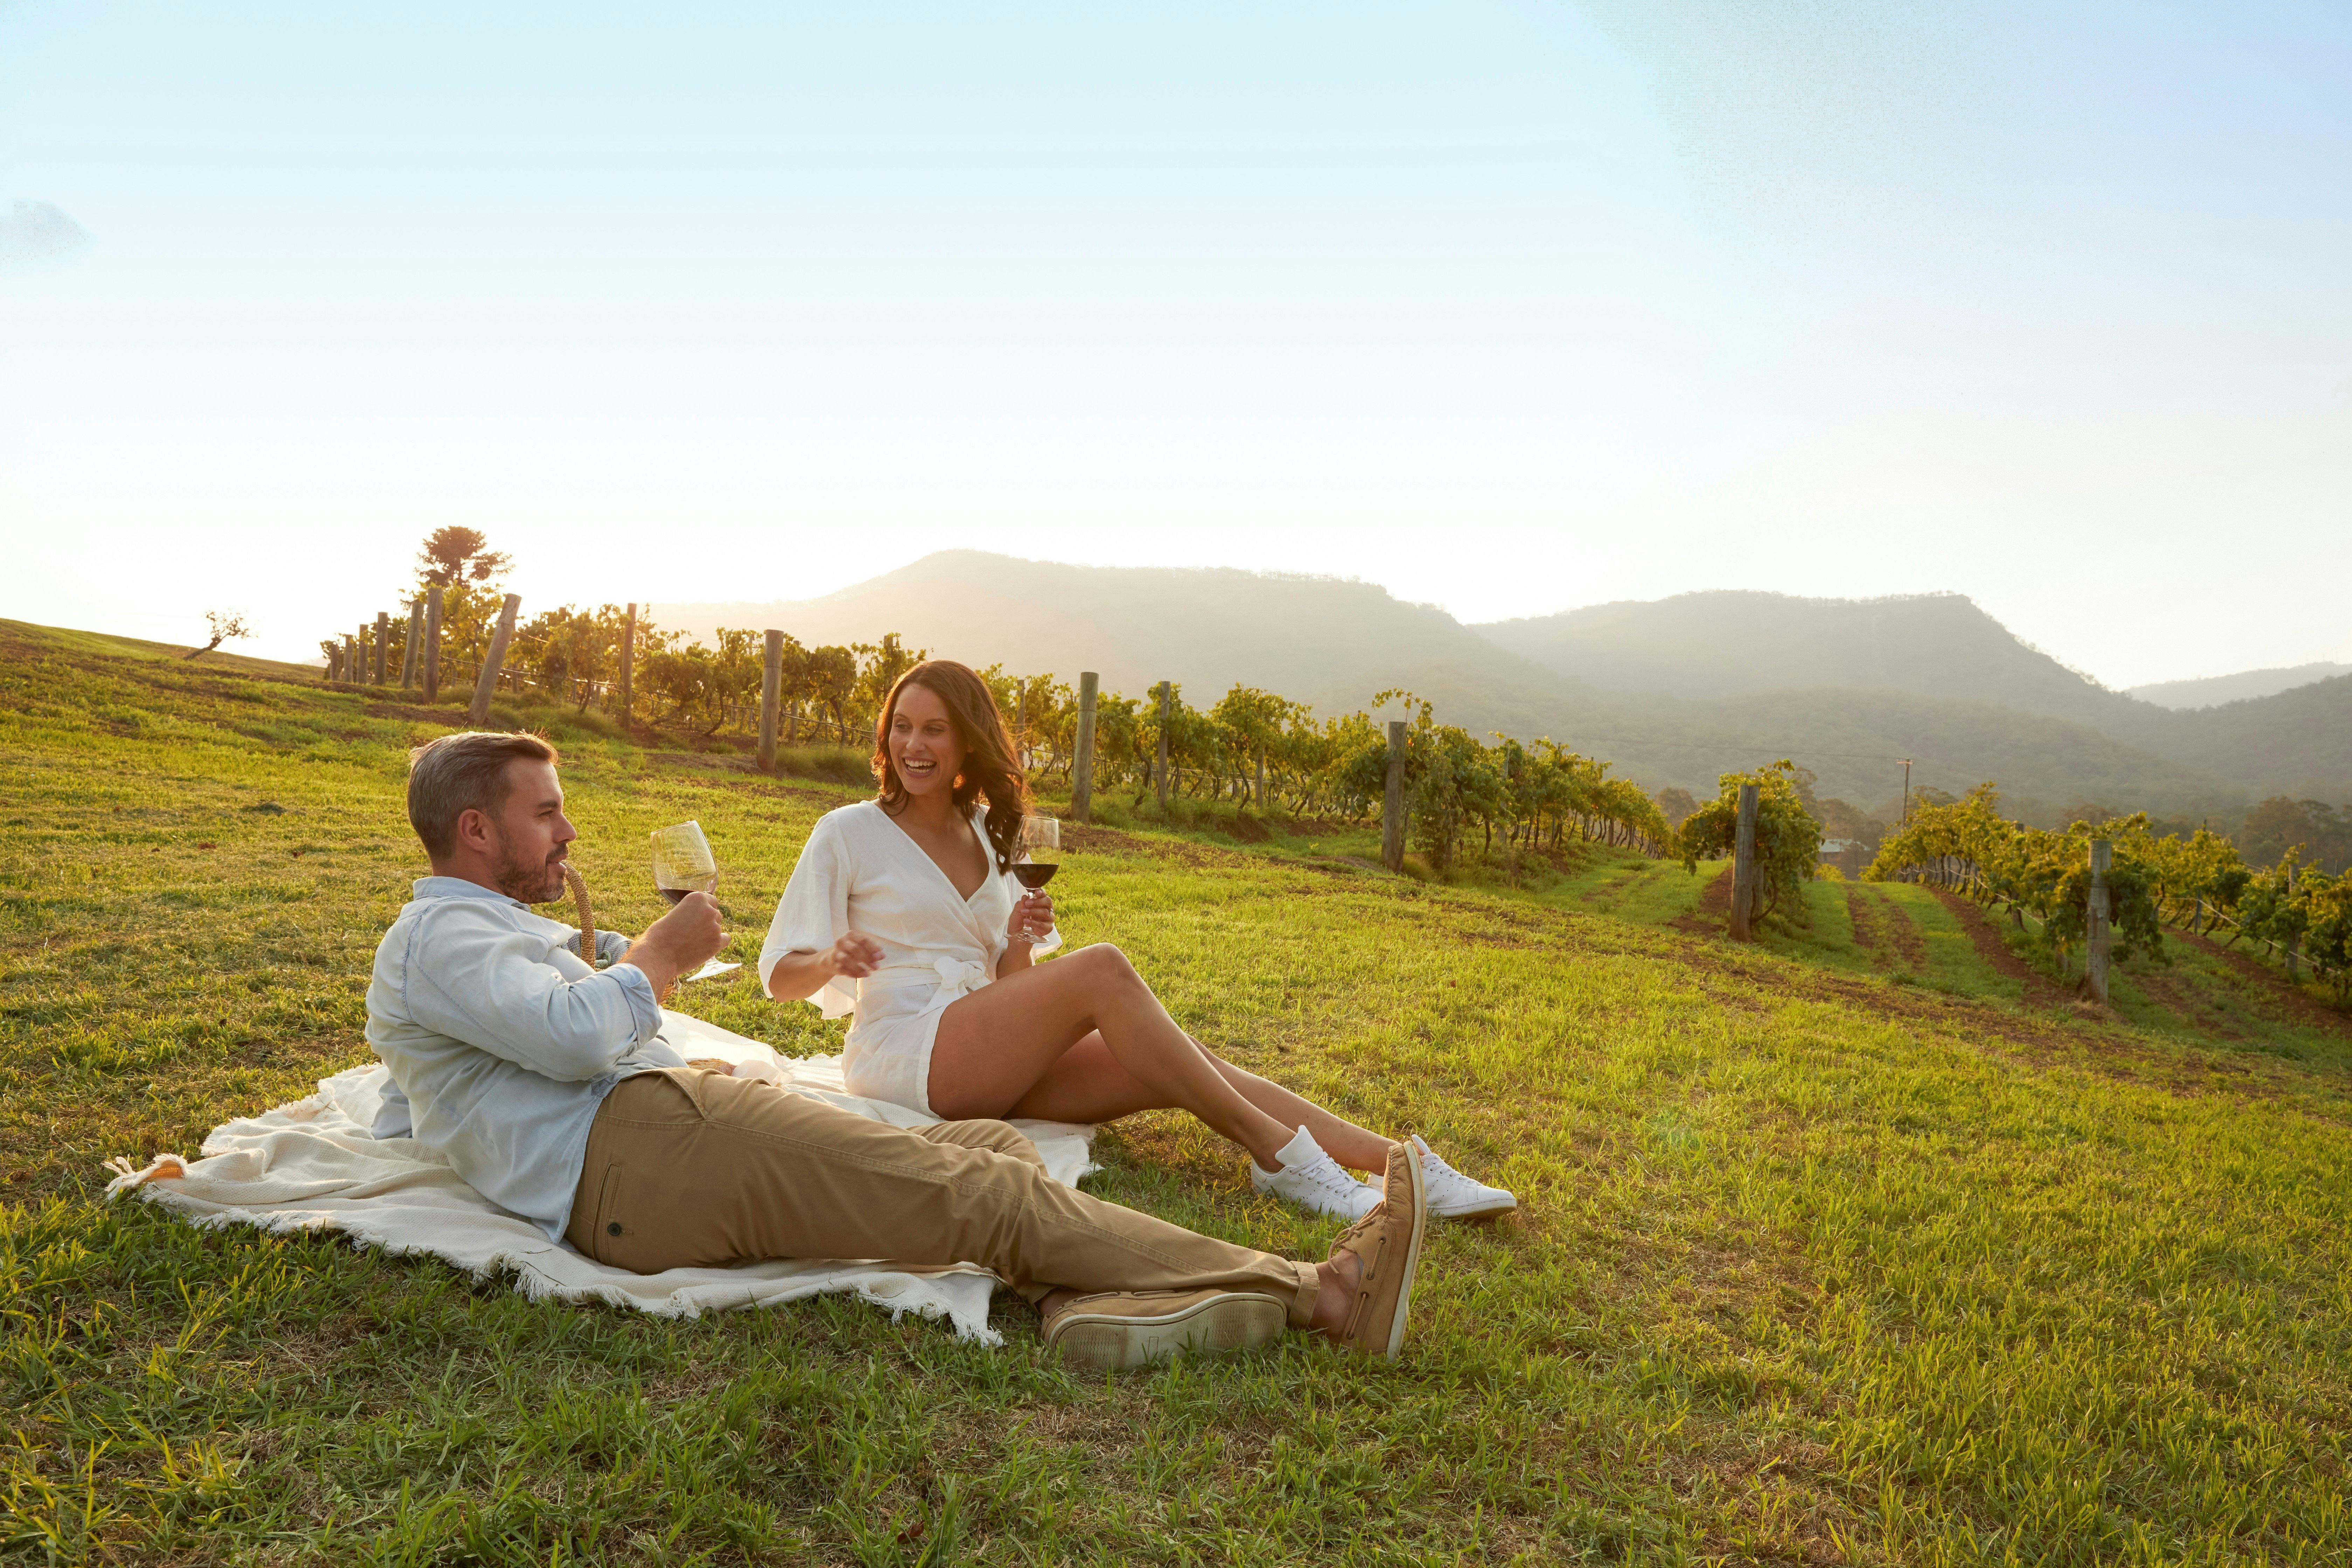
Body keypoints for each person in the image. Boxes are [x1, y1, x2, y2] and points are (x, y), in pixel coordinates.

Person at [365, 729, 1431, 1370]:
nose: (568, 834)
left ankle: (1080, 1291)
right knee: (985, 1194)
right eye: (546, 814)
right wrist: (657, 958)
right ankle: (1325, 1294)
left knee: (993, 1150)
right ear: (475, 831)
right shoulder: (437, 935)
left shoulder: (482, 936)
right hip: (639, 1153)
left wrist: (604, 997)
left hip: (653, 1133)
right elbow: (570, 1038)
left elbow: (433, 1085)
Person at [760, 661, 1516, 1222]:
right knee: (1102, 970)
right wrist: (830, 959)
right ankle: (1280, 1157)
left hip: (983, 1052)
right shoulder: (848, 831)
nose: (913, 744)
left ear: (967, 742)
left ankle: (1402, 1164)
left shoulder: (987, 834)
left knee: (1177, 1061)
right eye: (901, 726)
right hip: (904, 1056)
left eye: (934, 729)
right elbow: (780, 975)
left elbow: (1005, 985)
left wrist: (1016, 941)